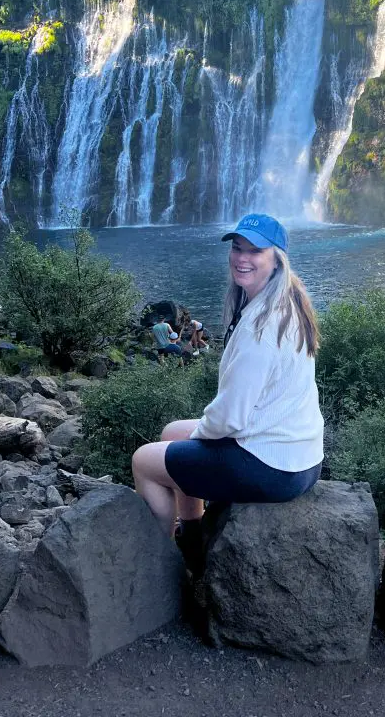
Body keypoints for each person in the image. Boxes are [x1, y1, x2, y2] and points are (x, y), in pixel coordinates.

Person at [131, 213, 324, 567]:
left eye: (255, 251)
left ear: (276, 258)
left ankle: (158, 567)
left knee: (144, 460)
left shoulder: (260, 329)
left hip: (272, 466)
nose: (241, 258)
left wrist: (201, 436)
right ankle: (193, 536)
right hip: (299, 455)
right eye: (237, 247)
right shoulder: (286, 301)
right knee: (172, 432)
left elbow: (230, 418)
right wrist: (198, 435)